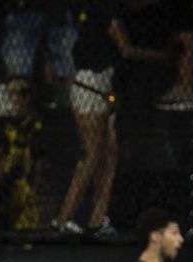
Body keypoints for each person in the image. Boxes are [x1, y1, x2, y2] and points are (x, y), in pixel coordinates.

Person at [50, 1, 165, 238]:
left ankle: (98, 218)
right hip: (89, 85)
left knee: (110, 154)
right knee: (92, 154)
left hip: (106, 88)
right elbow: (126, 49)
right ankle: (63, 218)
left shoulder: (116, 13)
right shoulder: (104, 10)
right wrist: (163, 56)